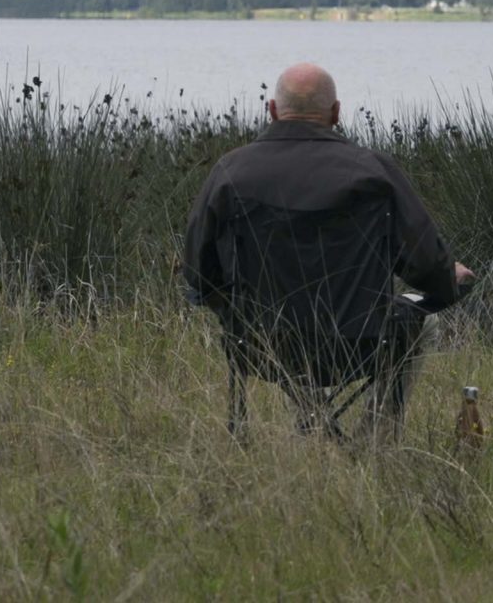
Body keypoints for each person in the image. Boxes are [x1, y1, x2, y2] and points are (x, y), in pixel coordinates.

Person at [183, 62, 473, 441]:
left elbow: (198, 275)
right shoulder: (374, 172)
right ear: (336, 113)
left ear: (272, 110)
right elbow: (426, 266)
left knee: (284, 322)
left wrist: (233, 307)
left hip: (259, 345)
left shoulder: (230, 172)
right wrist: (451, 278)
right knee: (423, 322)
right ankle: (374, 442)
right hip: (364, 343)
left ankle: (315, 427)